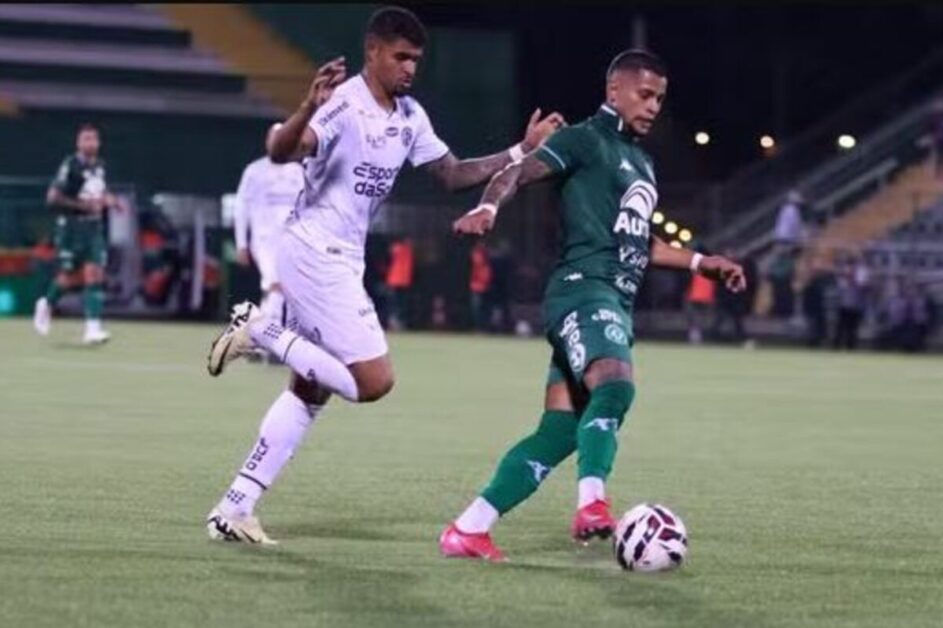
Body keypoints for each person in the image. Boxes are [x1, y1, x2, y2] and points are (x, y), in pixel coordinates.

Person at [201, 6, 564, 544]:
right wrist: (306, 106)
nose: (410, 68)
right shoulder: (343, 104)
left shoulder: (410, 115)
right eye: (401, 57)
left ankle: (234, 507)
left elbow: (450, 175)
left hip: (338, 257)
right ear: (373, 52)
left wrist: (519, 150)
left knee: (309, 391)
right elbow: (281, 151)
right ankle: (260, 331)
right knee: (373, 382)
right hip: (313, 252)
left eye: (416, 59)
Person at [442, 49, 746, 561]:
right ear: (614, 91)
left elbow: (638, 242)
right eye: (644, 95)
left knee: (560, 430)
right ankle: (592, 504)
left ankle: (469, 529)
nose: (652, 107)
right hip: (584, 290)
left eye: (660, 99)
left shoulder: (642, 163)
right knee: (616, 385)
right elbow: (519, 171)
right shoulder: (583, 139)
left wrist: (701, 263)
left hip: (612, 302)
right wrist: (488, 206)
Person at [33, 123, 125, 344]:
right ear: (78, 142)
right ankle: (46, 303)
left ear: (99, 142)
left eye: (93, 139)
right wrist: (82, 206)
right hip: (72, 228)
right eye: (86, 139)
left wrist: (111, 201)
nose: (90, 143)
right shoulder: (70, 165)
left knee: (94, 273)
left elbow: (99, 193)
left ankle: (92, 329)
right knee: (69, 277)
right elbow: (52, 197)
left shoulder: (100, 167)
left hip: (93, 229)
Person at [233, 123, 305, 322]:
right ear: (267, 142)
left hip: (293, 240)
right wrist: (241, 244)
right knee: (275, 284)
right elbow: (241, 208)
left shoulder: (298, 172)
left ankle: (262, 335)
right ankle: (265, 335)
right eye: (274, 138)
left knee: (283, 288)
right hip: (265, 240)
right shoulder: (255, 171)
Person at [385, 236, 415, 330]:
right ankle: (393, 322)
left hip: (402, 281)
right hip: (396, 281)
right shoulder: (401, 249)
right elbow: (392, 250)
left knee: (399, 304)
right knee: (395, 303)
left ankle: (396, 322)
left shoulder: (405, 250)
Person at [469, 240, 492, 331]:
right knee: (477, 308)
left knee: (481, 308)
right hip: (477, 287)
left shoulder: (485, 264)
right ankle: (479, 327)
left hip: (482, 287)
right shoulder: (477, 256)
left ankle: (482, 327)